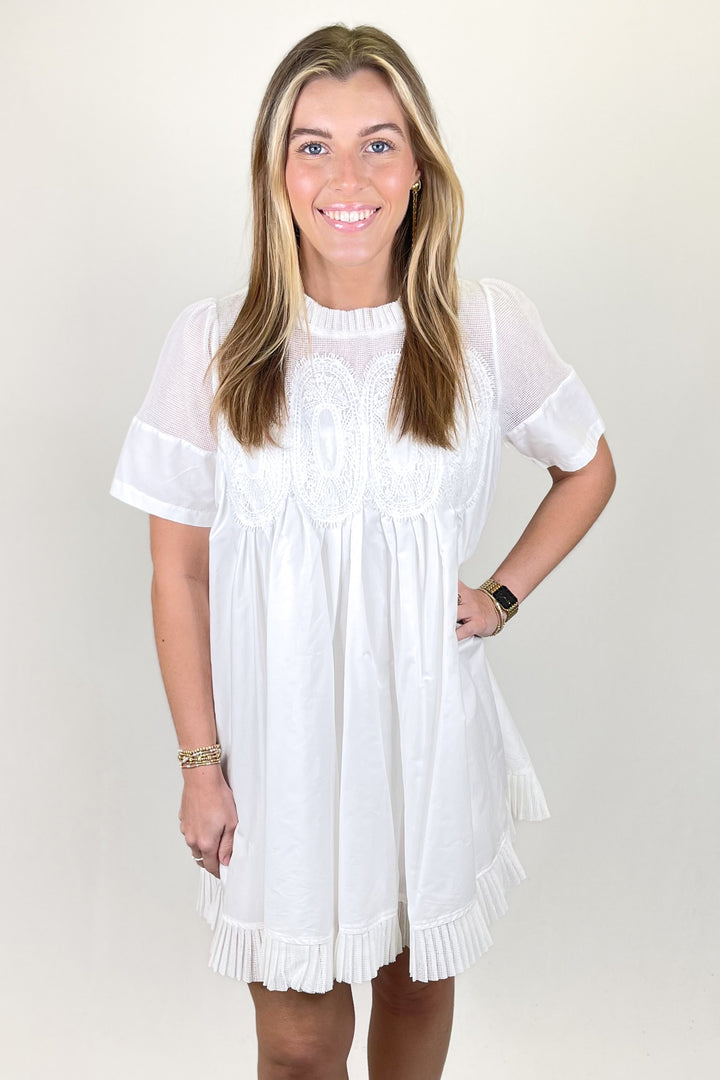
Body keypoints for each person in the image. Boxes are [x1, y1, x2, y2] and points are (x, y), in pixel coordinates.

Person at [110, 21, 616, 1080]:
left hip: (427, 738)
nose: (348, 177)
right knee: (299, 1044)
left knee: (416, 986)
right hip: (277, 752)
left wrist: (502, 596)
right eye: (314, 145)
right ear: (276, 170)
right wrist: (200, 765)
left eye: (379, 143)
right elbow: (179, 571)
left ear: (419, 165)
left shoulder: (481, 329)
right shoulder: (212, 345)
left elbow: (588, 466)